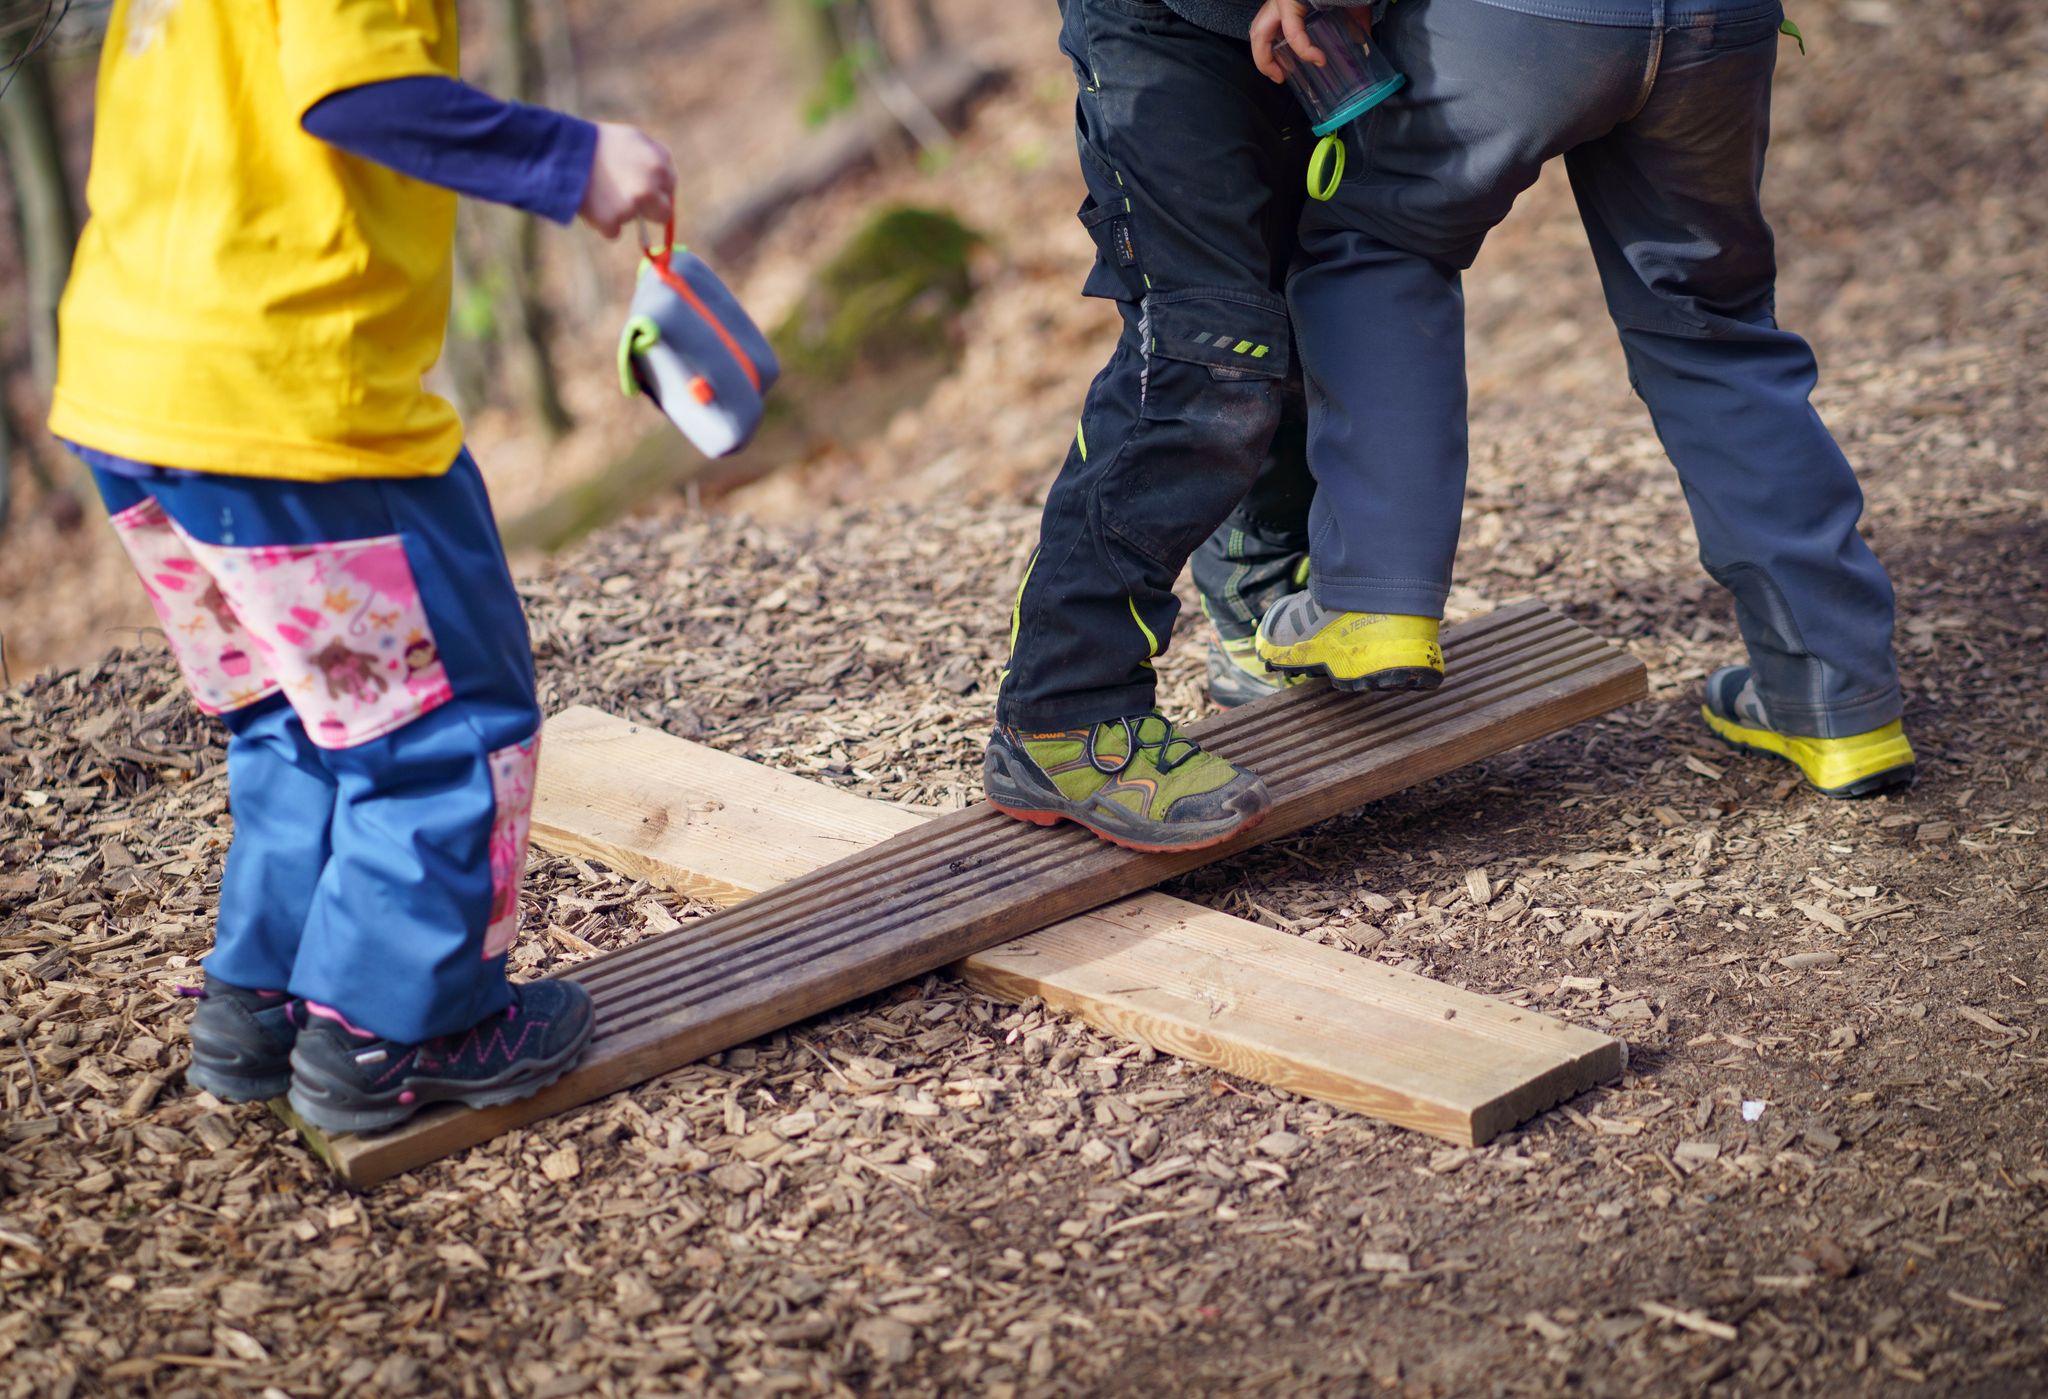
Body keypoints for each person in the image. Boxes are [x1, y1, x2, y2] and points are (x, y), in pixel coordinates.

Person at [49, 0, 676, 1133]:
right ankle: (399, 1029)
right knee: (443, 727)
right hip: (287, 405)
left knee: (290, 712)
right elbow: (355, 91)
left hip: (126, 389)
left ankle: (264, 998)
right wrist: (572, 159)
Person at [1240, 0, 1916, 799]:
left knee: (1378, 241)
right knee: (1711, 325)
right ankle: (1839, 697)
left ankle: (1372, 601)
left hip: (1523, 23)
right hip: (1716, 24)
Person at [981, 0, 1381, 852]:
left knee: (1300, 315)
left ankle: (1259, 621)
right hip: (1160, 28)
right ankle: (1064, 710)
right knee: (1206, 356)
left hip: (1309, 28)